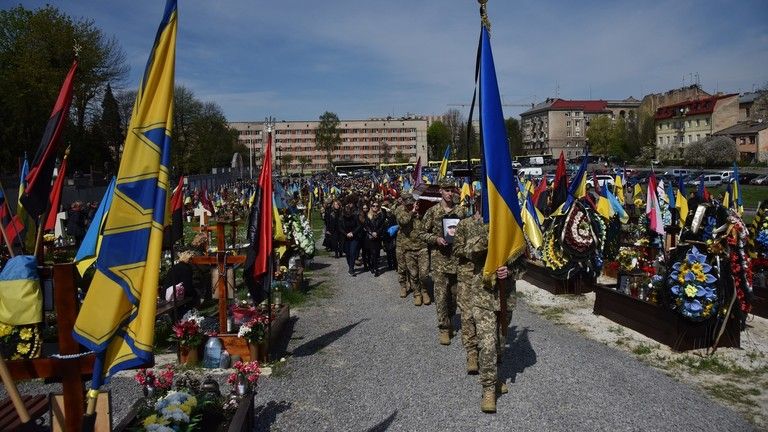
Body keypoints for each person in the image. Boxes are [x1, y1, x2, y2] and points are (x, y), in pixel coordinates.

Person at [453, 193, 523, 413]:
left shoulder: (511, 228)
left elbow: (522, 263)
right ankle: (488, 389)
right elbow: (466, 251)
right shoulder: (473, 226)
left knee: (500, 344)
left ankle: (496, 376)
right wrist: (491, 232)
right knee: (487, 344)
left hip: (505, 297)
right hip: (482, 295)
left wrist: (510, 270)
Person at [419, 178, 466, 344]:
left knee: (454, 297)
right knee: (440, 296)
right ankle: (444, 328)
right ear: (441, 191)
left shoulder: (461, 212)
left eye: (452, 190)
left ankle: (451, 319)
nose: (449, 193)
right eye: (446, 190)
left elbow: (467, 233)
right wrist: (436, 239)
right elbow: (421, 233)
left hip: (457, 262)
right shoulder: (432, 212)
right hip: (440, 261)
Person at [364, 200, 387, 276]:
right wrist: (371, 232)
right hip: (370, 237)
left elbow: (382, 226)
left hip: (377, 236)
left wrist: (377, 232)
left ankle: (376, 268)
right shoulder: (368, 215)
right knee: (371, 253)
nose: (375, 207)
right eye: (374, 206)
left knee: (376, 253)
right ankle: (372, 267)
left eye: (377, 206)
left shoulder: (381, 215)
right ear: (371, 207)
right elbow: (366, 226)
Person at [338, 202, 362, 276]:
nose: (348, 213)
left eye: (349, 211)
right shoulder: (341, 218)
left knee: (352, 252)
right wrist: (346, 234)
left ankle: (351, 269)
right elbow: (340, 228)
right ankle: (350, 265)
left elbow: (359, 226)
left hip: (354, 237)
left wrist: (353, 233)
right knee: (347, 253)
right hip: (345, 238)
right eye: (347, 212)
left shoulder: (355, 217)